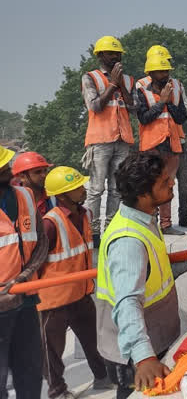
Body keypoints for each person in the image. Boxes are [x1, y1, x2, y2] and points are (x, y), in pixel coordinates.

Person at [95, 152, 187, 399]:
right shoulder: (128, 242)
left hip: (155, 339)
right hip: (135, 354)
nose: (172, 183)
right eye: (164, 182)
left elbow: (152, 272)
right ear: (143, 193)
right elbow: (127, 303)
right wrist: (144, 357)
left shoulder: (145, 218)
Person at [39, 166, 110, 399]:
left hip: (81, 293)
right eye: (76, 188)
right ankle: (57, 391)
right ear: (61, 196)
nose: (83, 190)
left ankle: (103, 377)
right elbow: (36, 262)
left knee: (93, 341)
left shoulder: (86, 214)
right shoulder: (50, 224)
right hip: (53, 301)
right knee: (52, 353)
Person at [0, 145, 48, 399]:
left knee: (29, 373)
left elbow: (41, 243)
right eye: (3, 167)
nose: (9, 170)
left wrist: (25, 275)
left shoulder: (25, 197)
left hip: (26, 300)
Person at [81, 35, 135, 247]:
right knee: (96, 189)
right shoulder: (90, 78)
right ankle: (92, 234)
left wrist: (121, 84)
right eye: (111, 53)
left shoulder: (128, 79)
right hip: (100, 140)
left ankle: (111, 229)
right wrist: (112, 84)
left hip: (122, 139)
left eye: (118, 53)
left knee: (116, 189)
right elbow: (95, 106)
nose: (115, 56)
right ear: (100, 55)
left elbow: (133, 107)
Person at [135, 46, 187, 236]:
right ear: (151, 73)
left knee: (167, 185)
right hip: (151, 145)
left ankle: (166, 224)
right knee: (149, 185)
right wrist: (160, 102)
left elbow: (181, 117)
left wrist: (167, 102)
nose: (164, 74)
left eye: (166, 71)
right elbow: (143, 118)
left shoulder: (175, 88)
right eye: (160, 71)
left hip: (172, 144)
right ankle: (150, 223)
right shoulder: (142, 89)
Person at [11, 151, 54, 219]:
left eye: (45, 170)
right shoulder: (10, 201)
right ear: (22, 177)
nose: (44, 175)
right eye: (38, 172)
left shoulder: (54, 198)